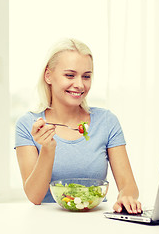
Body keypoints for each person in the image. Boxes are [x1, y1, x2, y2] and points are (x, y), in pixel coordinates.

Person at [15, 38, 141, 213]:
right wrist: (48, 148)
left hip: (95, 222)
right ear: (48, 76)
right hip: (46, 224)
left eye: (86, 76)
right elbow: (34, 197)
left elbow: (129, 186)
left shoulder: (106, 121)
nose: (80, 84)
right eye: (70, 75)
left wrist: (127, 196)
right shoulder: (28, 124)